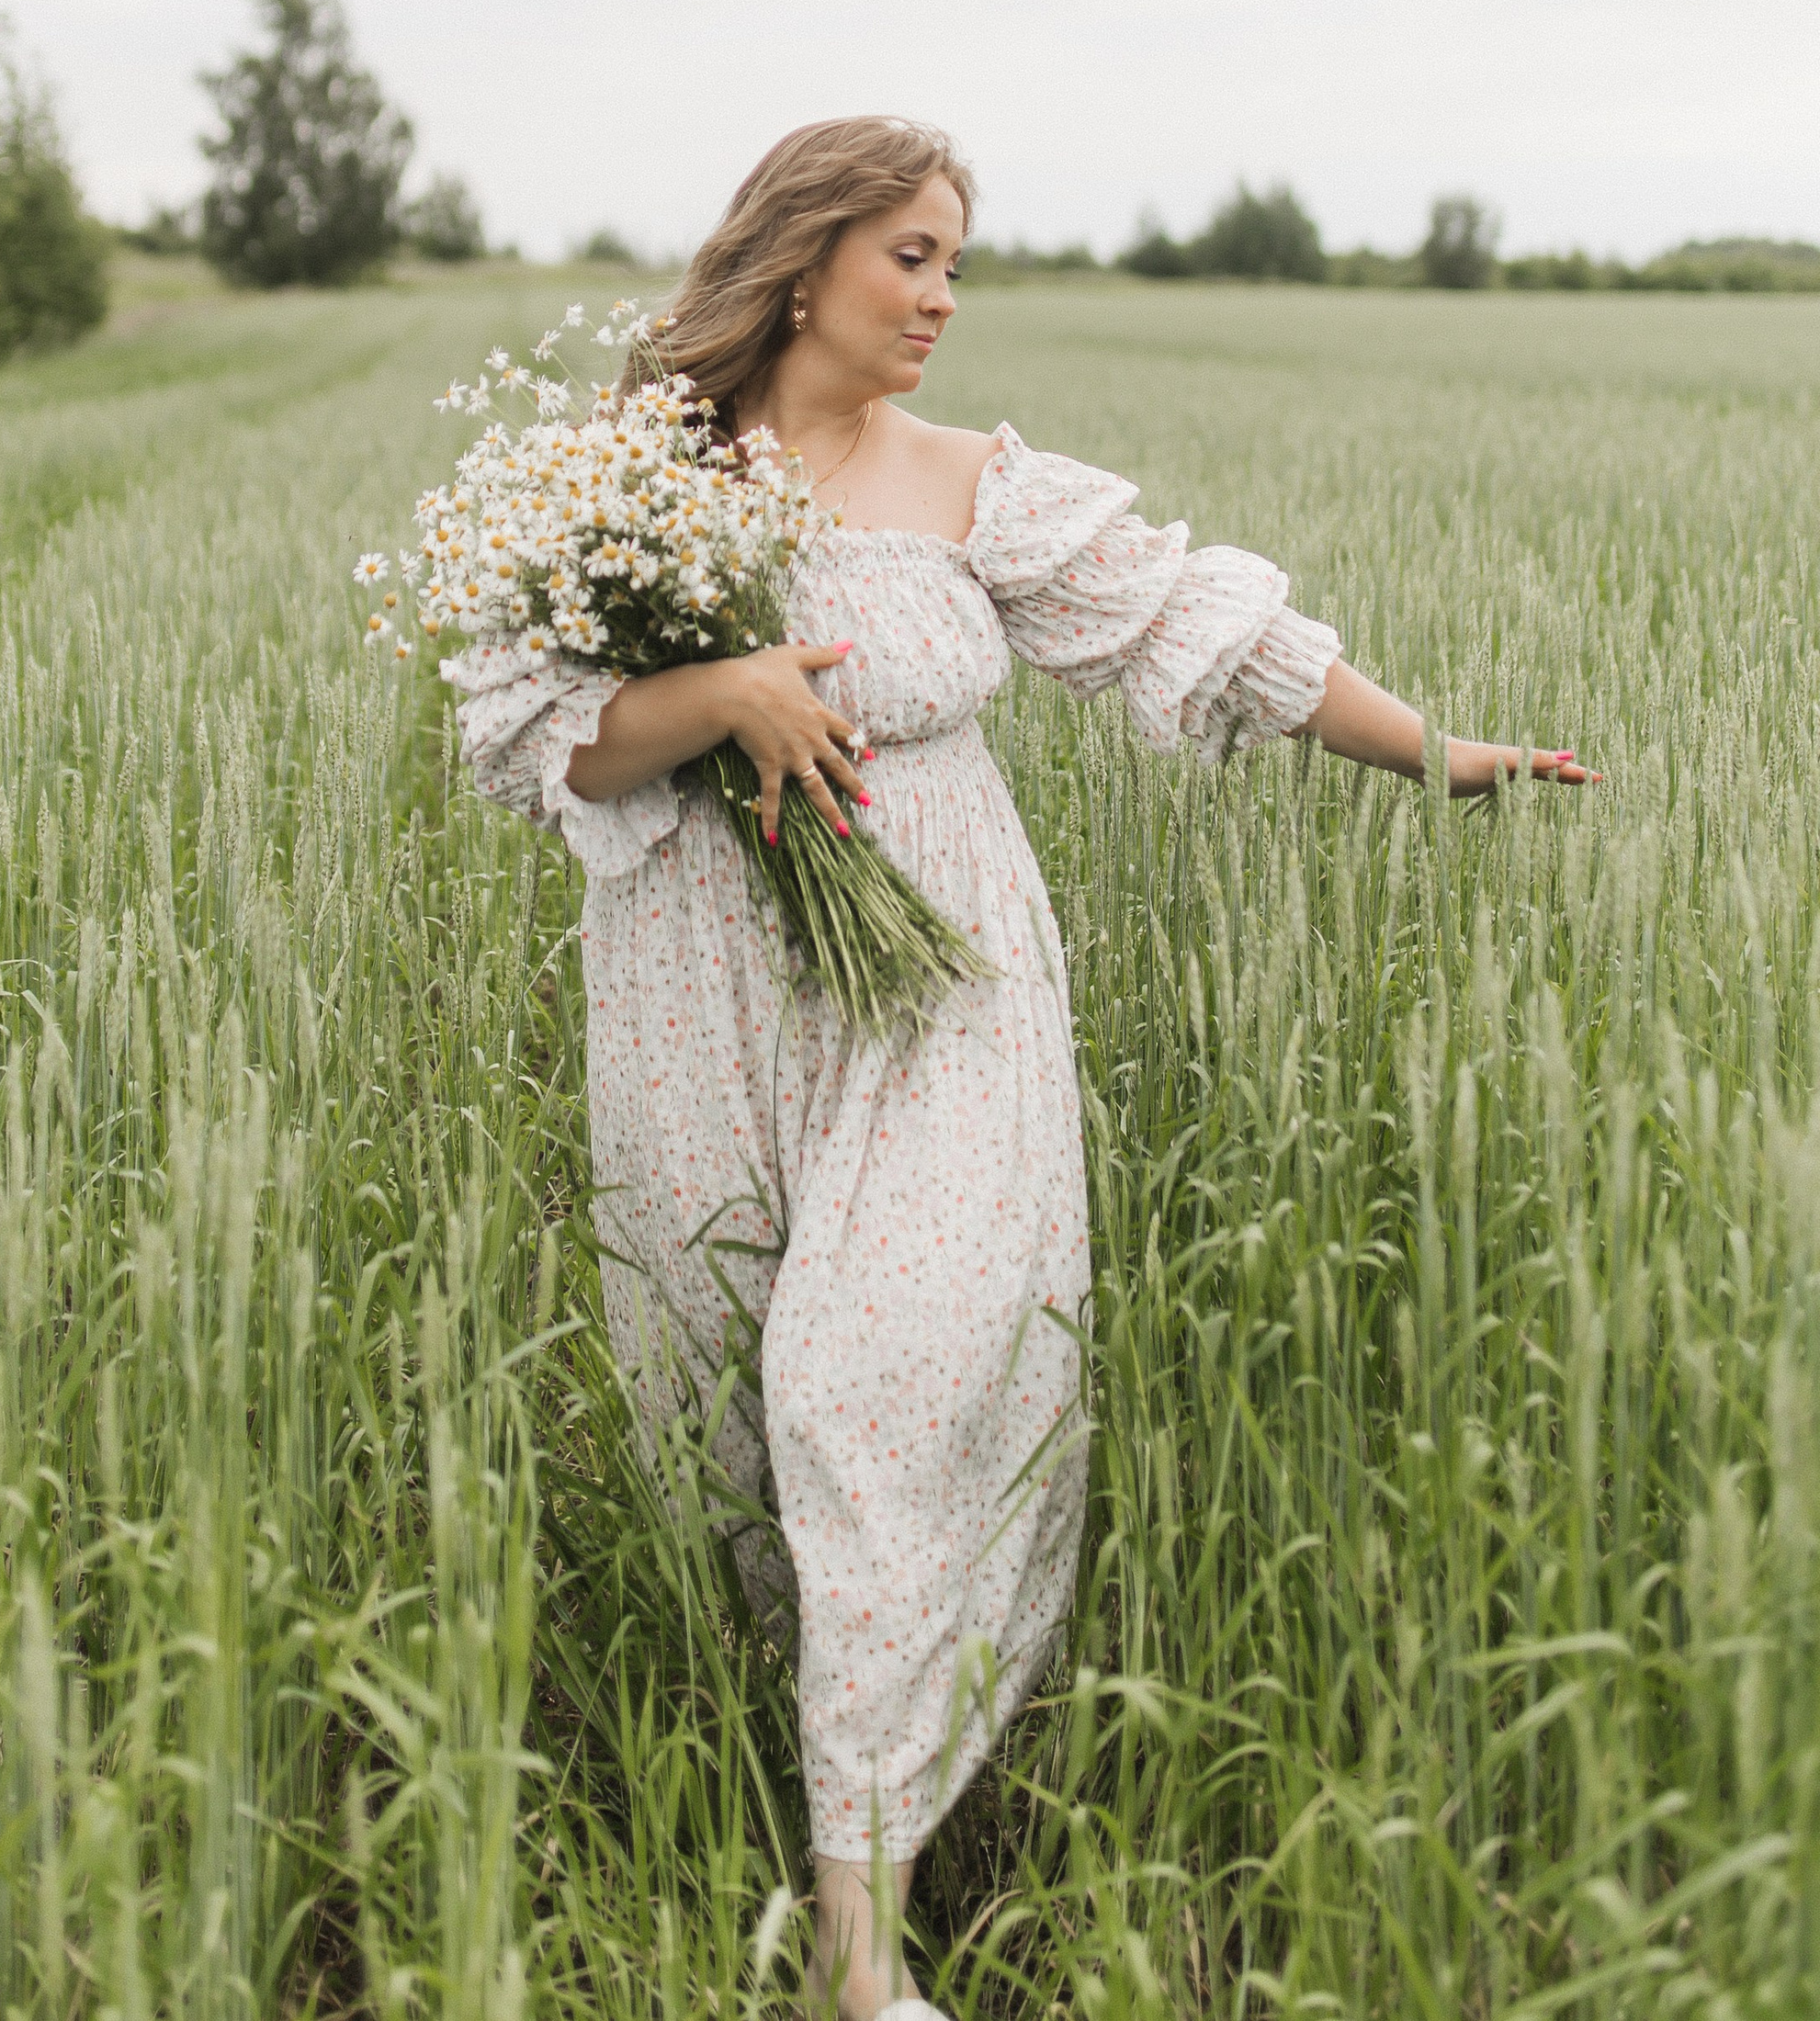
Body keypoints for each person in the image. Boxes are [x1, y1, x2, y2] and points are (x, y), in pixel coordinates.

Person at [447, 119, 1592, 2021]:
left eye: (953, 262)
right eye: (910, 255)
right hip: (696, 996)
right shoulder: (617, 480)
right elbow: (529, 740)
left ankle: (857, 1964)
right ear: (802, 258)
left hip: (940, 993)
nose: (940, 299)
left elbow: (1195, 628)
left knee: (867, 1393)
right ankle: (805, 1792)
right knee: (718, 1427)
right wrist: (719, 692)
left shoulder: (976, 486)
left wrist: (1434, 750)